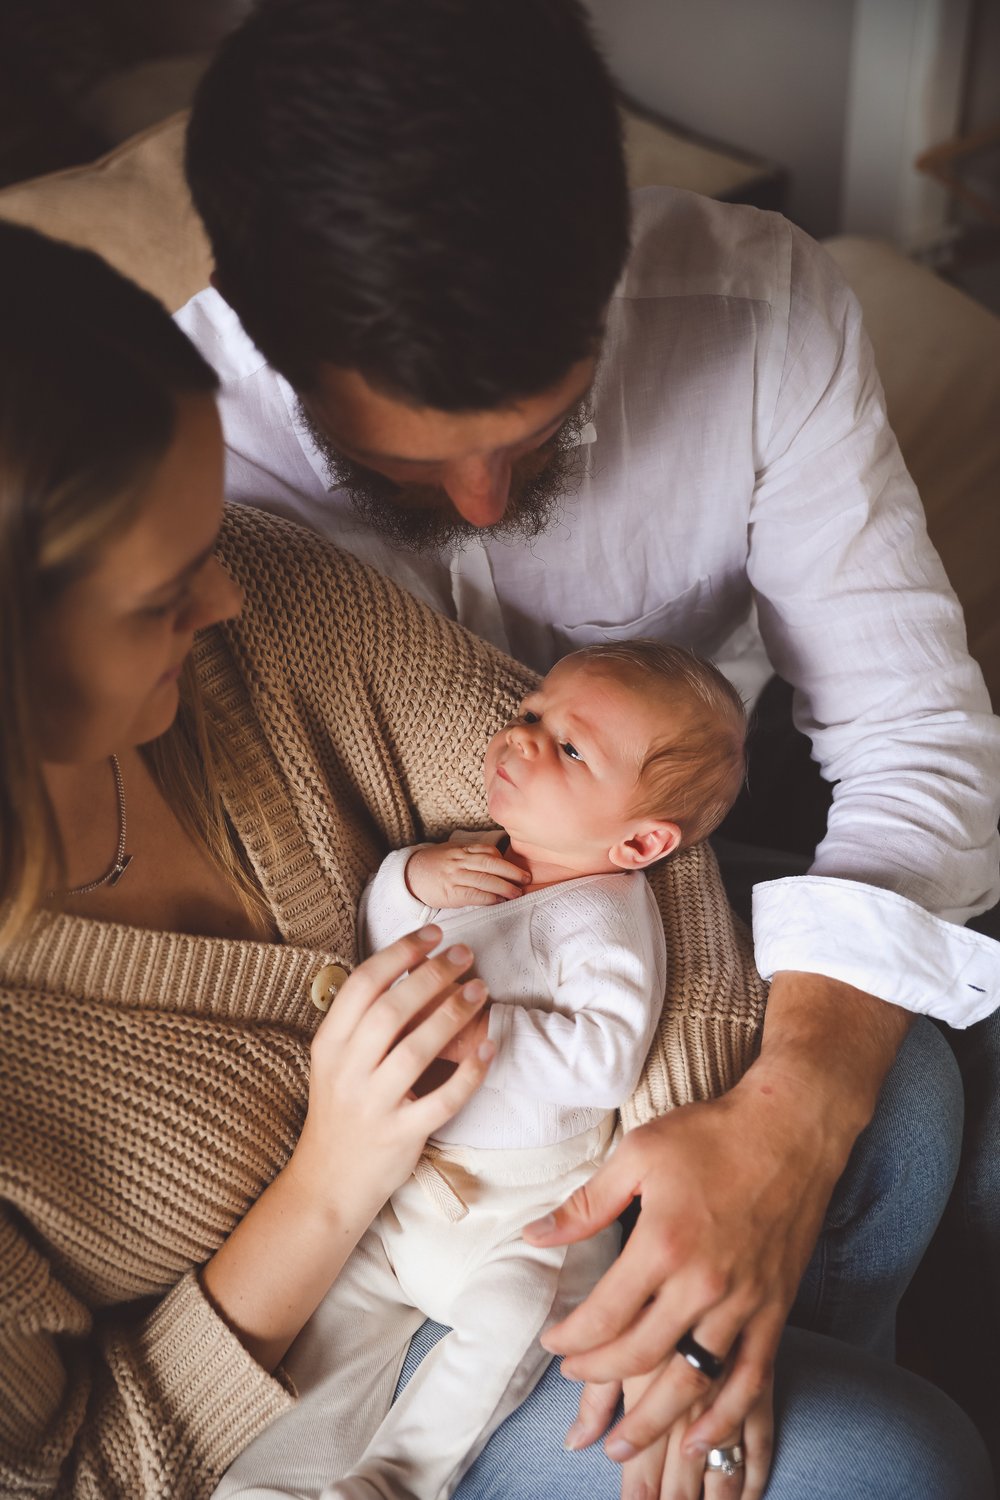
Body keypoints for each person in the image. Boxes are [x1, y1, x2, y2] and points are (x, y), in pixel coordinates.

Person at [0, 220, 993, 1500]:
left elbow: (639, 846)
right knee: (901, 1462)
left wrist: (687, 1207)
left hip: (534, 1224)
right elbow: (75, 1471)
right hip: (286, 1399)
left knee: (897, 1087)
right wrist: (330, 1180)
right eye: (162, 594)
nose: (228, 599)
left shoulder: (258, 598)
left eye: (207, 543)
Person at [178, 0, 1000, 1472]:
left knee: (930, 1109)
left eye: (539, 427)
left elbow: (915, 732)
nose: (489, 503)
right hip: (414, 1001)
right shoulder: (191, 433)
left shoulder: (760, 317)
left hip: (677, 843)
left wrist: (789, 1126)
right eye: (406, 464)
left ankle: (776, 1361)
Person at [214, 641, 746, 1499]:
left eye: (571, 749)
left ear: (641, 840)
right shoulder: (479, 854)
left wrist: (474, 1027)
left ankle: (398, 1475)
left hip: (523, 1219)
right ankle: (268, 1481)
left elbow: (605, 1060)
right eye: (533, 713)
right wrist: (411, 876)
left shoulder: (606, 921)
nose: (523, 740)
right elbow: (384, 932)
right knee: (330, 1330)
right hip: (401, 1190)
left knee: (514, 1325)